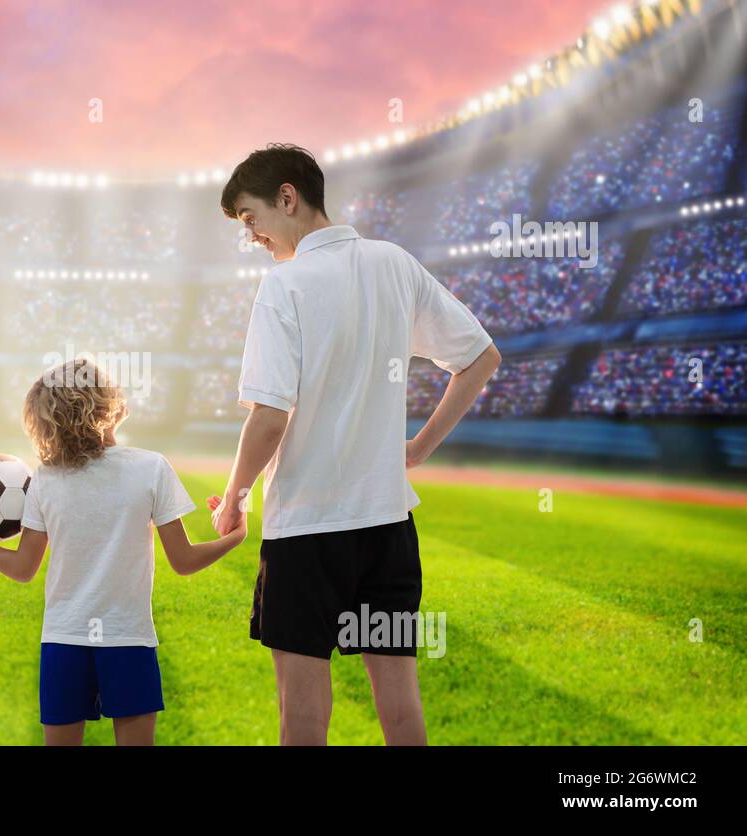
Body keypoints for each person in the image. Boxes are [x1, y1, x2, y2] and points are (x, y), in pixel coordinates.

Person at [210, 143, 502, 745]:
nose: (253, 236)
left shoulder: (284, 285)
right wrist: (417, 449)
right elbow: (480, 358)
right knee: (400, 708)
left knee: (304, 717)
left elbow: (269, 416)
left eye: (250, 218)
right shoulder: (392, 262)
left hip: (308, 530)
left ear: (286, 197)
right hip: (387, 525)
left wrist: (235, 493)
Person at [0, 357, 247, 745]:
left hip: (63, 643)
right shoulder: (151, 467)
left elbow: (23, 568)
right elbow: (184, 562)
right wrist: (234, 536)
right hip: (128, 641)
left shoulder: (46, 479)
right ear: (107, 403)